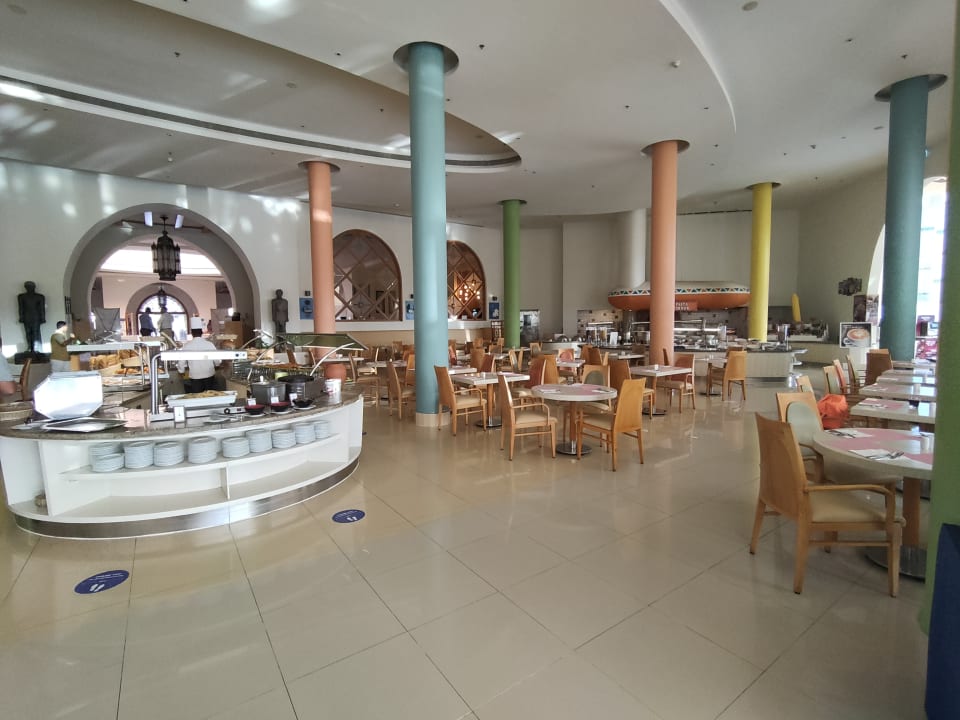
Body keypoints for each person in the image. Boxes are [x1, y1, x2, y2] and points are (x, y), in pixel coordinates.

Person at [177, 317, 218, 393]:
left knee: (197, 397)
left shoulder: (187, 346)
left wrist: (181, 371)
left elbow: (181, 362)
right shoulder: (209, 344)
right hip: (209, 375)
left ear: (192, 333)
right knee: (210, 396)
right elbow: (217, 360)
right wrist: (217, 364)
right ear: (202, 332)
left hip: (195, 377)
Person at [17, 281, 45, 354]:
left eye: (31, 287)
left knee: (35, 332)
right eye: (28, 287)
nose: (29, 288)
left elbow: (42, 308)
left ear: (34, 287)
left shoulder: (39, 297)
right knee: (28, 333)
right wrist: (21, 317)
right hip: (27, 316)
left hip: (36, 317)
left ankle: (35, 347)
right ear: (25, 288)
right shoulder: (21, 296)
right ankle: (30, 346)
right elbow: (21, 308)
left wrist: (43, 317)